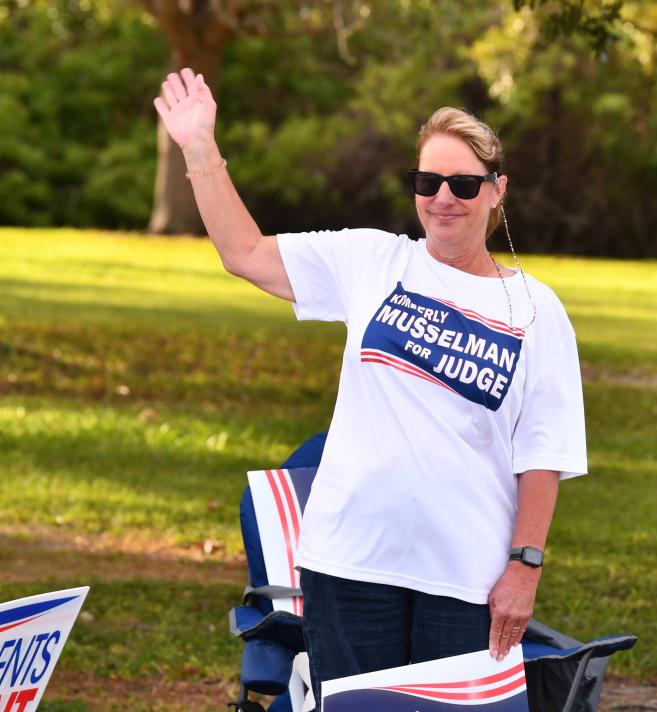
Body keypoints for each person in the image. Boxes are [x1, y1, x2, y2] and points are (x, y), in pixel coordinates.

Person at [153, 68, 588, 702]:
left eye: (464, 183)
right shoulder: (372, 262)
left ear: (497, 191)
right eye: (428, 181)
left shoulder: (535, 310)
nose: (444, 197)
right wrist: (200, 149)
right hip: (349, 562)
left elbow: (544, 453)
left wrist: (525, 568)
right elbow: (244, 252)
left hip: (466, 578)